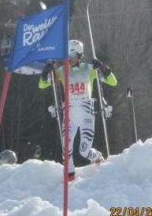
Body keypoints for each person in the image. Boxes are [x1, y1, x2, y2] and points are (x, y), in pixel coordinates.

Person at [38, 39, 117, 182]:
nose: (69, 57)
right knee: (66, 148)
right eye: (66, 54)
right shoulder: (61, 72)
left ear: (79, 54)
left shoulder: (90, 69)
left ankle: (97, 157)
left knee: (84, 150)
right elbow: (42, 85)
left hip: (87, 113)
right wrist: (46, 72)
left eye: (72, 54)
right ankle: (70, 177)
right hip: (70, 114)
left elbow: (113, 82)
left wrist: (104, 68)